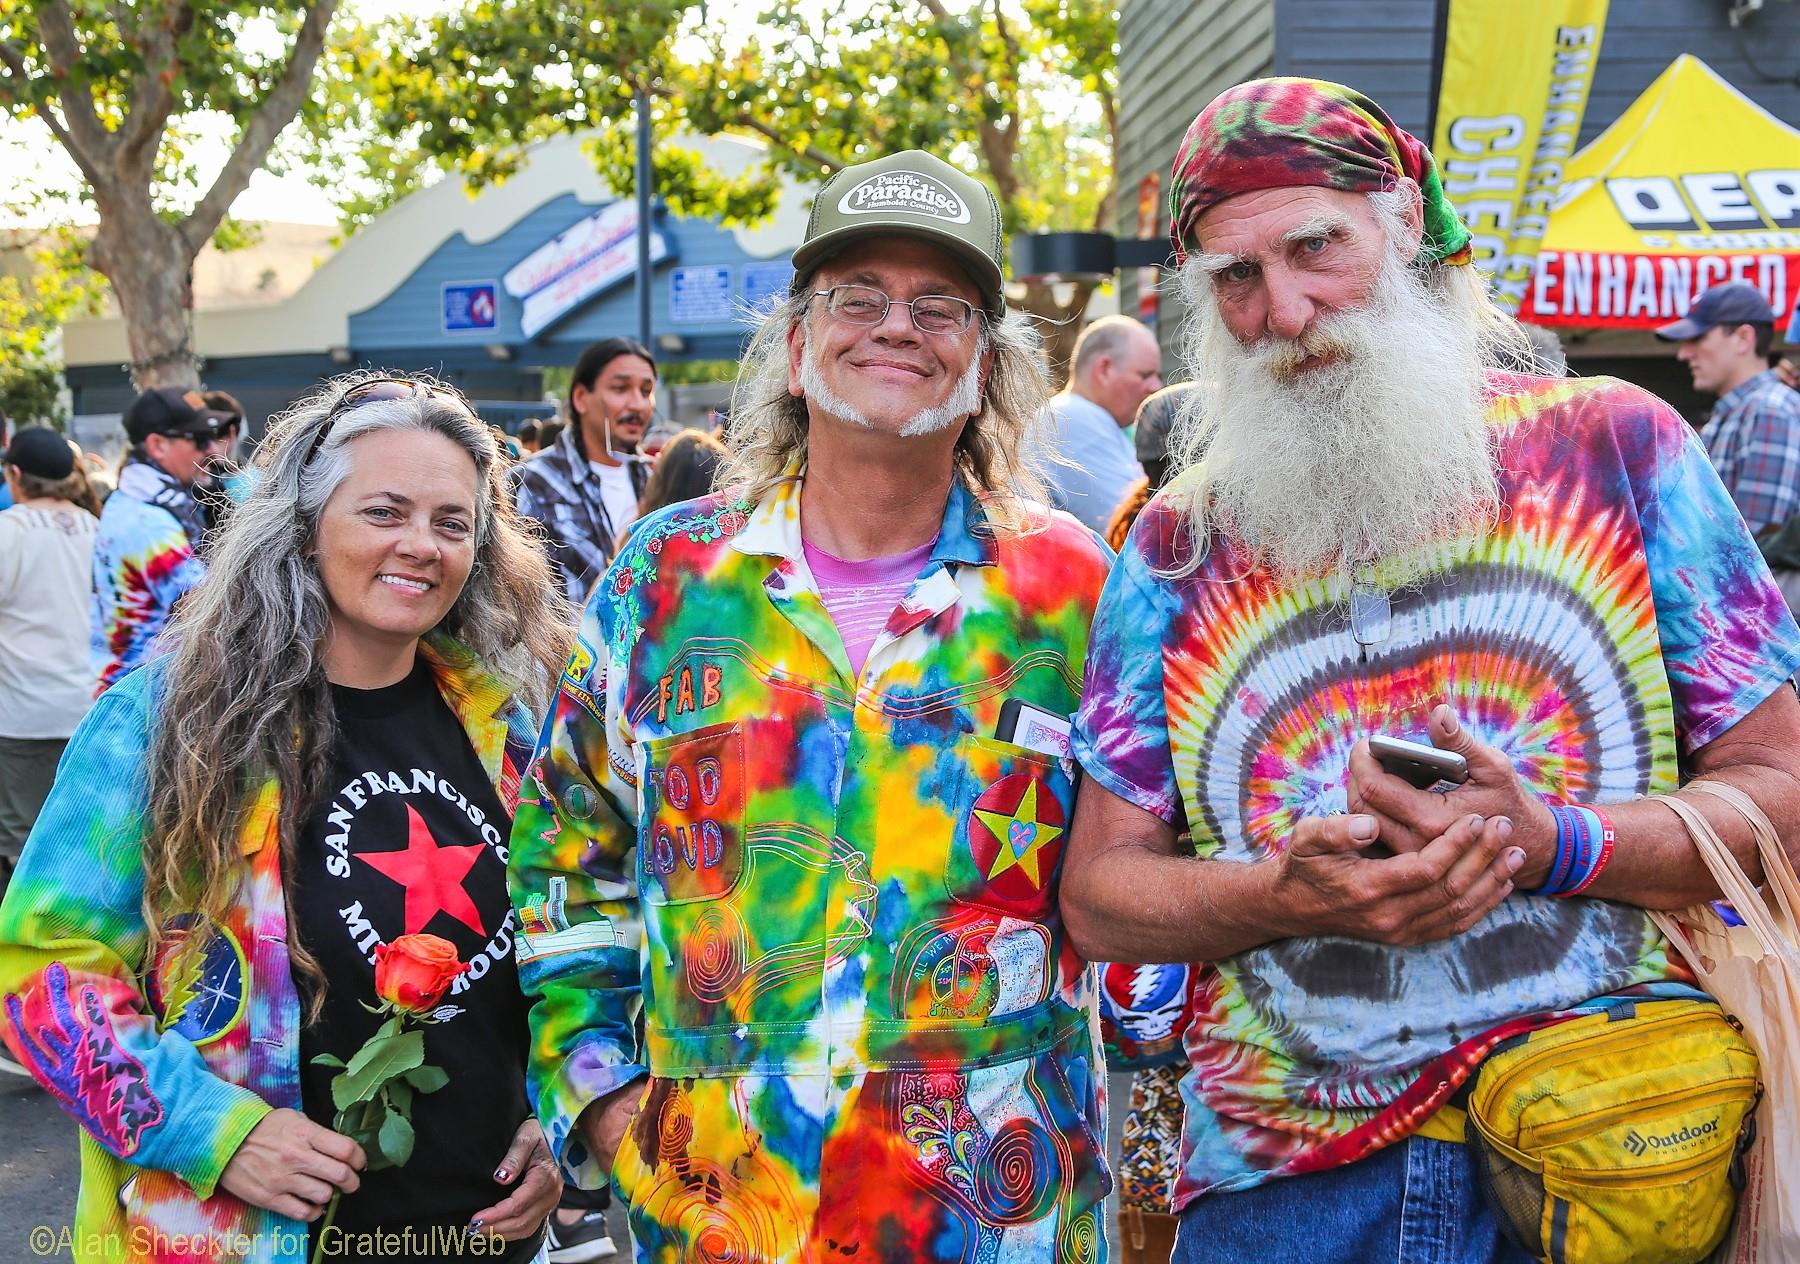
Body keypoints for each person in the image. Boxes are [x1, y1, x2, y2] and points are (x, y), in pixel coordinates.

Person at [1060, 78, 1800, 1263]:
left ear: (1403, 226)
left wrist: (1557, 840)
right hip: (1287, 1191)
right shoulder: (1172, 545)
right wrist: (1276, 898)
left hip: (1620, 1145)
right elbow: (1100, 895)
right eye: (1234, 280)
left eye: (1316, 250)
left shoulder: (1618, 443)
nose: (1285, 312)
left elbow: (1782, 797)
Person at [508, 148, 1115, 1262]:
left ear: (985, 364)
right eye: (858, 298)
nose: (898, 327)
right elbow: (565, 857)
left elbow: (1137, 872)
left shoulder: (1074, 588)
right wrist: (605, 1104)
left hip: (992, 1221)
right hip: (714, 1217)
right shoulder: (665, 576)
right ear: (795, 345)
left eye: (941, 305)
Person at [0, 374, 572, 1261]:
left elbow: (560, 951)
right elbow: (40, 973)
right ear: (304, 527)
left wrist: (554, 1116)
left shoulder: (506, 727)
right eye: (385, 511)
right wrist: (213, 1133)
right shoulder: (173, 722)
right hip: (253, 1241)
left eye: (452, 523)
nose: (421, 545)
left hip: (483, 1237)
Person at [0, 428, 98, 912]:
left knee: (21, 843)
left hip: (23, 713)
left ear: (14, 475)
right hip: (92, 710)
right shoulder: (94, 526)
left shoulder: (10, 530)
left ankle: (24, 968)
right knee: (80, 845)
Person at [91, 387, 235, 690]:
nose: (211, 449)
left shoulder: (152, 501)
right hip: (145, 695)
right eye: (197, 439)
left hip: (153, 684)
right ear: (157, 445)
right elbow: (209, 606)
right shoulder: (146, 521)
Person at [1654, 282, 1800, 539]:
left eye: (1698, 338)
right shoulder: (1735, 412)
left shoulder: (1769, 408)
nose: (1684, 354)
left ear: (1743, 338)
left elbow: (1751, 545)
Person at [515, 339, 658, 602]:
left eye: (646, 390)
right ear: (581, 398)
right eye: (620, 388)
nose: (638, 404)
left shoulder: (655, 481)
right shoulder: (531, 483)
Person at [1036, 315, 1164, 531]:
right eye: (1145, 375)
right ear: (1104, 369)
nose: (1156, 386)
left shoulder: (1077, 415)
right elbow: (1143, 527)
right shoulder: (1072, 419)